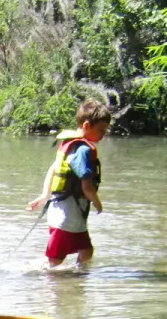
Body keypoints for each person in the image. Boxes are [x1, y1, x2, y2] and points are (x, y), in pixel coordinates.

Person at [28, 97, 111, 269]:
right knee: (55, 261)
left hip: (64, 211)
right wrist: (97, 202)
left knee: (86, 251)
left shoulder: (70, 145)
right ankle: (46, 286)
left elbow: (52, 169)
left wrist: (45, 194)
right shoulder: (82, 150)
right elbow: (86, 186)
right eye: (101, 130)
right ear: (87, 126)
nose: (104, 135)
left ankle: (77, 282)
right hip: (68, 214)